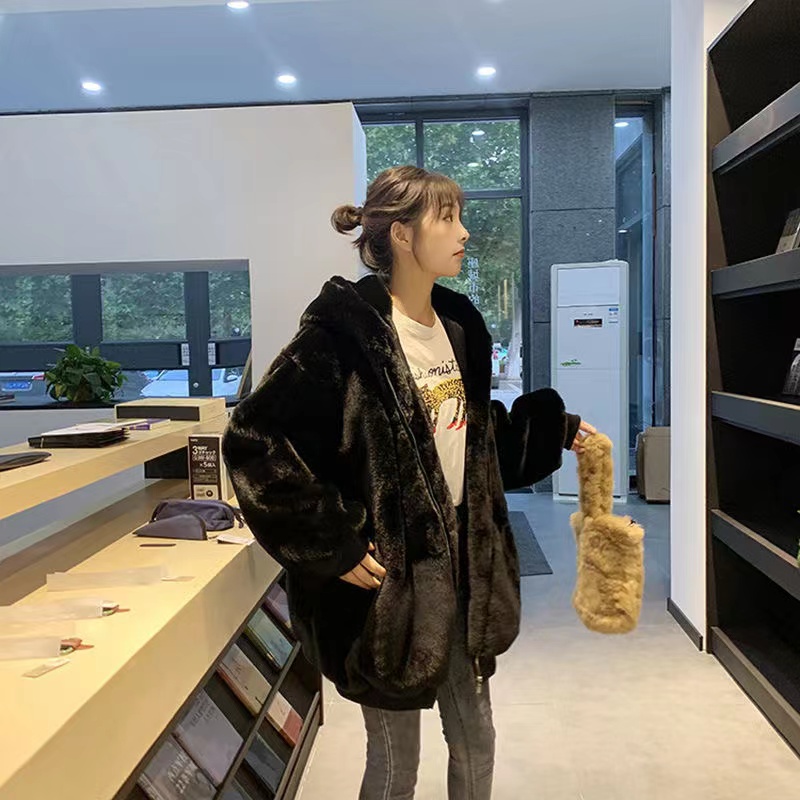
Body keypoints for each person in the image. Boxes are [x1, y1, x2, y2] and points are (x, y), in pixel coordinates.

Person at [222, 165, 595, 800]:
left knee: (477, 742)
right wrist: (334, 543)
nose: (464, 232)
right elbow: (255, 441)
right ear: (401, 234)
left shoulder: (458, 326)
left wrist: (554, 429)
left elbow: (474, 441)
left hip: (465, 574)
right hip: (387, 594)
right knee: (397, 765)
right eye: (446, 218)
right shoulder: (343, 337)